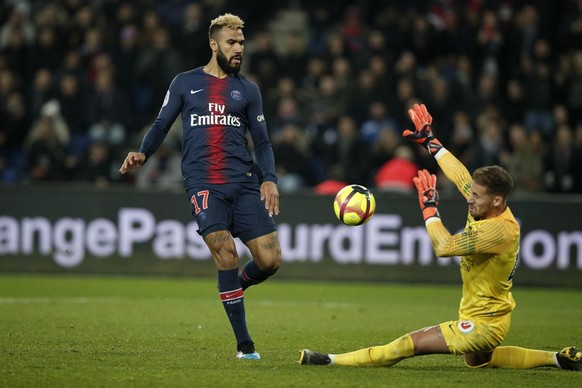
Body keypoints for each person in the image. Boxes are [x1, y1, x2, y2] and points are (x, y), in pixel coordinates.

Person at [298, 103, 581, 371]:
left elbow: (444, 246)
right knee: (480, 362)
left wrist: (429, 209)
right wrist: (431, 141)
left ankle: (329, 361)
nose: (469, 199)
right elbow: (460, 176)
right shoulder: (484, 206)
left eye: (476, 196)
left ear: (497, 201)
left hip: (484, 324)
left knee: (408, 344)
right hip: (485, 315)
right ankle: (557, 359)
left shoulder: (500, 230)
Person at [119, 13, 281, 360]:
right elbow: (162, 123)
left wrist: (269, 178)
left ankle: (235, 287)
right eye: (231, 43)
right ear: (213, 44)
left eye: (241, 43)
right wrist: (142, 153)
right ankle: (245, 346)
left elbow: (263, 142)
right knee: (225, 253)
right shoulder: (184, 83)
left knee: (270, 260)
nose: (238, 49)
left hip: (243, 183)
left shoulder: (248, 90)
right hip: (203, 183)